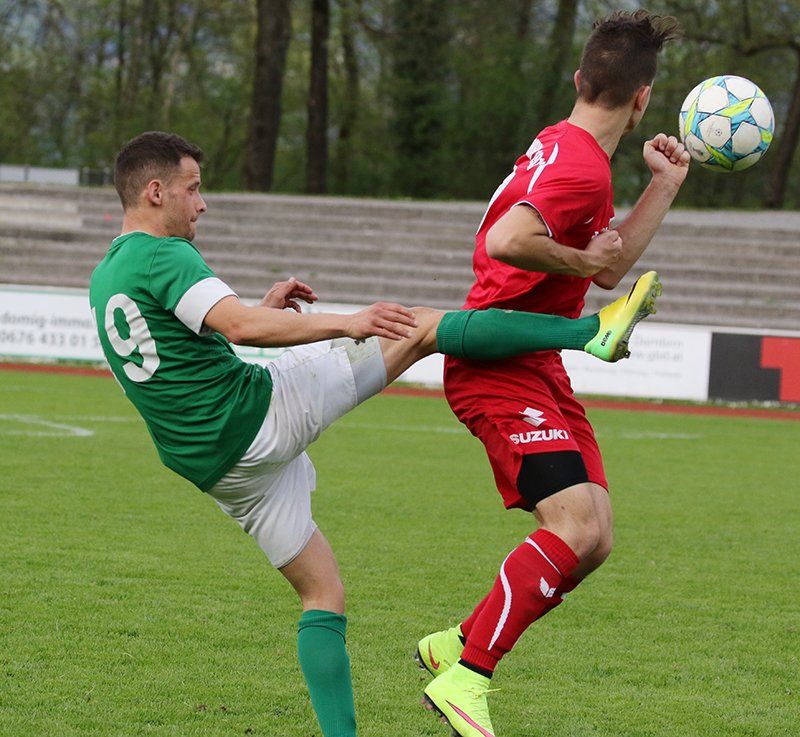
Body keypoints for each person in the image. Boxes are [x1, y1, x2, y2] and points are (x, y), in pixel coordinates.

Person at [89, 131, 659, 737]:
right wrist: (350, 321)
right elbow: (238, 328)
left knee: (323, 594)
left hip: (219, 470)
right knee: (421, 328)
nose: (201, 204)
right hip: (258, 417)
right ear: (156, 192)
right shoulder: (164, 255)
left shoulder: (106, 278)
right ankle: (589, 331)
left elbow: (189, 352)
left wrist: (263, 308)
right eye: (193, 189)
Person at [416, 10, 691, 737]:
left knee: (595, 536)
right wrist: (581, 259)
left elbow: (606, 271)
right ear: (643, 98)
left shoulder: (565, 146)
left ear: (579, 79)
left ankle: (457, 643)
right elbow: (510, 240)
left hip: (537, 366)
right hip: (497, 364)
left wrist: (664, 184)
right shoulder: (578, 166)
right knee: (572, 524)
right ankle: (468, 678)